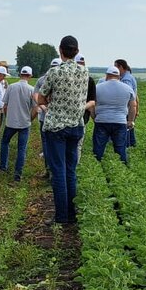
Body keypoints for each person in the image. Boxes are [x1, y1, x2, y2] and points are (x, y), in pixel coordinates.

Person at [35, 36, 91, 225]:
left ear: (60, 50)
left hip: (56, 127)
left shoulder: (55, 72)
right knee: (70, 171)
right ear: (77, 50)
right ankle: (72, 214)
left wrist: (52, 101)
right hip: (76, 126)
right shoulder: (84, 72)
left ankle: (61, 217)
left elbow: (40, 99)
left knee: (58, 172)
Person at [93, 66, 137, 164]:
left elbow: (92, 104)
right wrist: (130, 121)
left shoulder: (97, 87)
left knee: (98, 149)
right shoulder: (128, 88)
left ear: (107, 75)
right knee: (120, 148)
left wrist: (94, 117)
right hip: (120, 122)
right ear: (118, 76)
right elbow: (133, 106)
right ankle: (123, 168)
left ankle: (97, 166)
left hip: (102, 121)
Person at [0, 66, 36, 182]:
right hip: (25, 123)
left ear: (20, 75)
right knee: (22, 149)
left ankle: (3, 167)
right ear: (30, 76)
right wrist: (30, 119)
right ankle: (17, 174)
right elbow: (35, 108)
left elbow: (4, 105)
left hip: (11, 122)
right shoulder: (32, 89)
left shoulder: (11, 87)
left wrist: (7, 116)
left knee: (5, 142)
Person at [114, 59, 139, 147]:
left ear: (121, 67)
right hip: (131, 108)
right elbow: (136, 96)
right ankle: (132, 145)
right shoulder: (129, 77)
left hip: (127, 108)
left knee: (126, 129)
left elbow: (127, 95)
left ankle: (126, 147)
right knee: (130, 129)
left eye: (115, 66)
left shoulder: (126, 80)